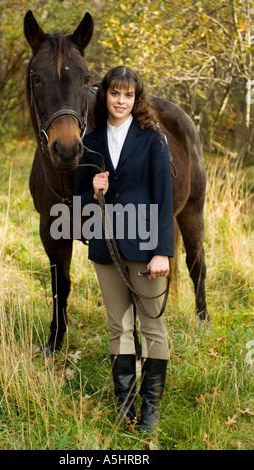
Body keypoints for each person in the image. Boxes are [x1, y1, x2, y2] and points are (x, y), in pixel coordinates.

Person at [75, 66, 174, 432]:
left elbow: (165, 198)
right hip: (106, 248)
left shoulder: (153, 138)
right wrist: (93, 191)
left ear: (136, 99)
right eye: (115, 93)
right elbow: (76, 202)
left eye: (128, 95)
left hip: (148, 248)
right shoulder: (91, 140)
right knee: (118, 327)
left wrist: (163, 250)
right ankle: (125, 404)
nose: (121, 101)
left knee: (152, 327)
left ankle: (150, 409)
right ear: (105, 97)